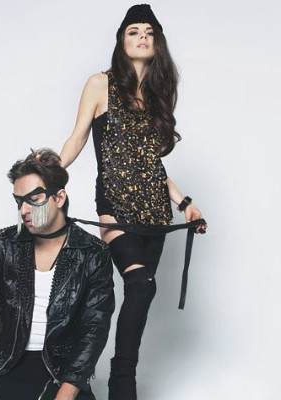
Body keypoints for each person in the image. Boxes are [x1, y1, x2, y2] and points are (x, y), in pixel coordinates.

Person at [59, 4, 208, 400]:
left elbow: (152, 164)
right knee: (140, 285)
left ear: (157, 43)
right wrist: (48, 175)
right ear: (121, 41)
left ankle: (121, 378)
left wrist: (186, 203)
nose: (142, 36)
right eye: (133, 31)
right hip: (115, 207)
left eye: (148, 32)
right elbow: (77, 138)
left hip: (155, 214)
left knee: (140, 295)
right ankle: (121, 383)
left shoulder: (157, 97)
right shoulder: (100, 84)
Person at [0, 149, 115, 400]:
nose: (24, 210)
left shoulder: (93, 253)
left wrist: (66, 393)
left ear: (59, 197)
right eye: (19, 201)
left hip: (60, 374)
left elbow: (95, 328)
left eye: (33, 199)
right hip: (2, 363)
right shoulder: (6, 243)